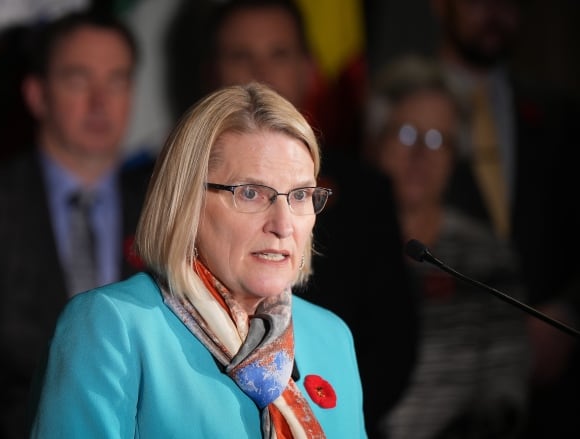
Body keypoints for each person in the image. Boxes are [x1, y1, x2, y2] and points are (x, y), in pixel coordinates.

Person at [30, 82, 365, 438]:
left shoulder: (330, 336)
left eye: (299, 195)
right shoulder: (113, 326)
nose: (283, 225)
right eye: (250, 193)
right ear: (187, 201)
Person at [202, 1, 417, 435]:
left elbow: (392, 343)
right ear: (212, 70)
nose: (259, 71)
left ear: (309, 68)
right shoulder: (179, 181)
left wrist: (316, 421)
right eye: (241, 55)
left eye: (278, 54)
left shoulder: (364, 190)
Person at [0, 9, 153, 439]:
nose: (100, 101)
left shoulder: (163, 213)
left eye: (116, 80)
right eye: (78, 79)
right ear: (37, 94)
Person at [433, 1, 580, 436]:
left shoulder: (561, 113)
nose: (496, 11)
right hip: (442, 386)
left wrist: (569, 310)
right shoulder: (401, 110)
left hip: (553, 378)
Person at [364, 55, 529, 438]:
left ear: (457, 157)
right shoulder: (336, 243)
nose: (421, 154)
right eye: (406, 134)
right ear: (376, 141)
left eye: (439, 140)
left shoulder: (487, 255)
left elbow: (506, 382)